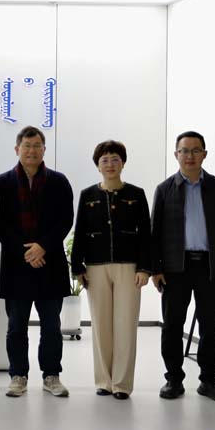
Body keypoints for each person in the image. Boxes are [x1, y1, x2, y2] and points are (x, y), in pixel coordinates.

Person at [151, 131, 215, 402]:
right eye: (184, 150)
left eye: (195, 150)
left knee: (210, 326)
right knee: (172, 325)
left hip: (210, 267)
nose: (189, 156)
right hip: (175, 268)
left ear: (204, 154)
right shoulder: (165, 189)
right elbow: (155, 233)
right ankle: (173, 379)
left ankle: (209, 381)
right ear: (176, 154)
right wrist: (156, 268)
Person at [0, 126, 74, 399]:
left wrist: (42, 246)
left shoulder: (59, 181)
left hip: (50, 263)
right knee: (16, 326)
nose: (32, 151)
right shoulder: (2, 183)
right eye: (27, 146)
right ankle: (18, 375)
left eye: (37, 145)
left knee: (51, 326)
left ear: (44, 149)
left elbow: (65, 219)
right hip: (16, 265)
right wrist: (25, 251)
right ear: (17, 149)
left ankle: (51, 375)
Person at [70, 140, 151, 400]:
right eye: (104, 160)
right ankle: (104, 381)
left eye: (115, 159)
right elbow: (80, 231)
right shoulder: (88, 195)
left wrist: (145, 268)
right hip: (95, 267)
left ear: (123, 163)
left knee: (126, 326)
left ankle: (122, 384)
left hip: (129, 267)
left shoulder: (136, 194)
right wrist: (77, 267)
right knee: (101, 325)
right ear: (97, 165)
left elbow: (146, 234)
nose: (110, 164)